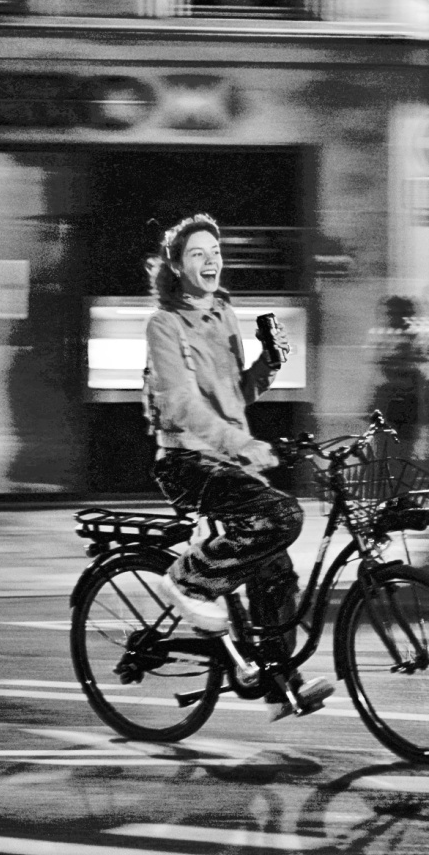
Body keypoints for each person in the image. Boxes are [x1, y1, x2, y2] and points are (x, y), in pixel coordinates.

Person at [141, 213, 333, 720]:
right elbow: (181, 404)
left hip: (225, 459)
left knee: (277, 568)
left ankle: (278, 682)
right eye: (197, 254)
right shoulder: (164, 325)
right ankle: (189, 578)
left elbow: (235, 396)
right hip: (185, 461)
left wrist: (269, 364)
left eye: (215, 252)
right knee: (285, 516)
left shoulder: (224, 315)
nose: (210, 261)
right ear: (177, 266)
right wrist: (243, 444)